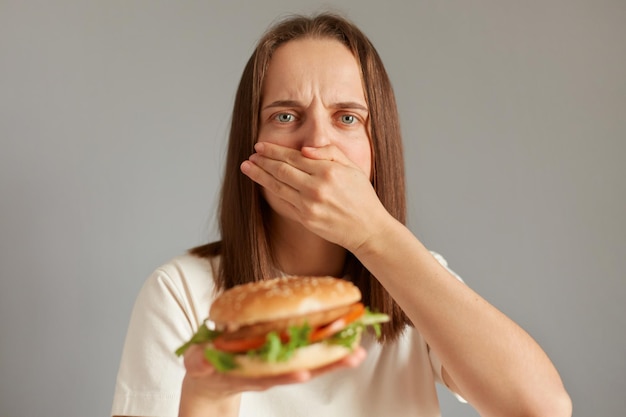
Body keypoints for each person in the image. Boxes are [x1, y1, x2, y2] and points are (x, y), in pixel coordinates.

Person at [111, 12, 571, 417]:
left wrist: (374, 235)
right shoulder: (180, 293)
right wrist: (207, 398)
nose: (317, 145)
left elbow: (542, 409)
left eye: (347, 117)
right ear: (249, 147)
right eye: (286, 117)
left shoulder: (413, 278)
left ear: (377, 149)